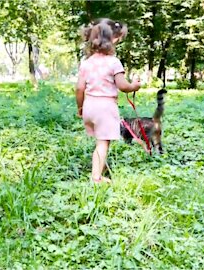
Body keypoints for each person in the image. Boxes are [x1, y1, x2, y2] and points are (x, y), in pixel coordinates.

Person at [76, 18, 141, 183]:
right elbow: (123, 86)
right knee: (103, 143)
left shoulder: (86, 63)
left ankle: (99, 168)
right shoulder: (114, 62)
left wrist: (80, 107)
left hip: (89, 106)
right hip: (105, 107)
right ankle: (96, 178)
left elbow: (79, 88)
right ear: (111, 41)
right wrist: (134, 86)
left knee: (101, 141)